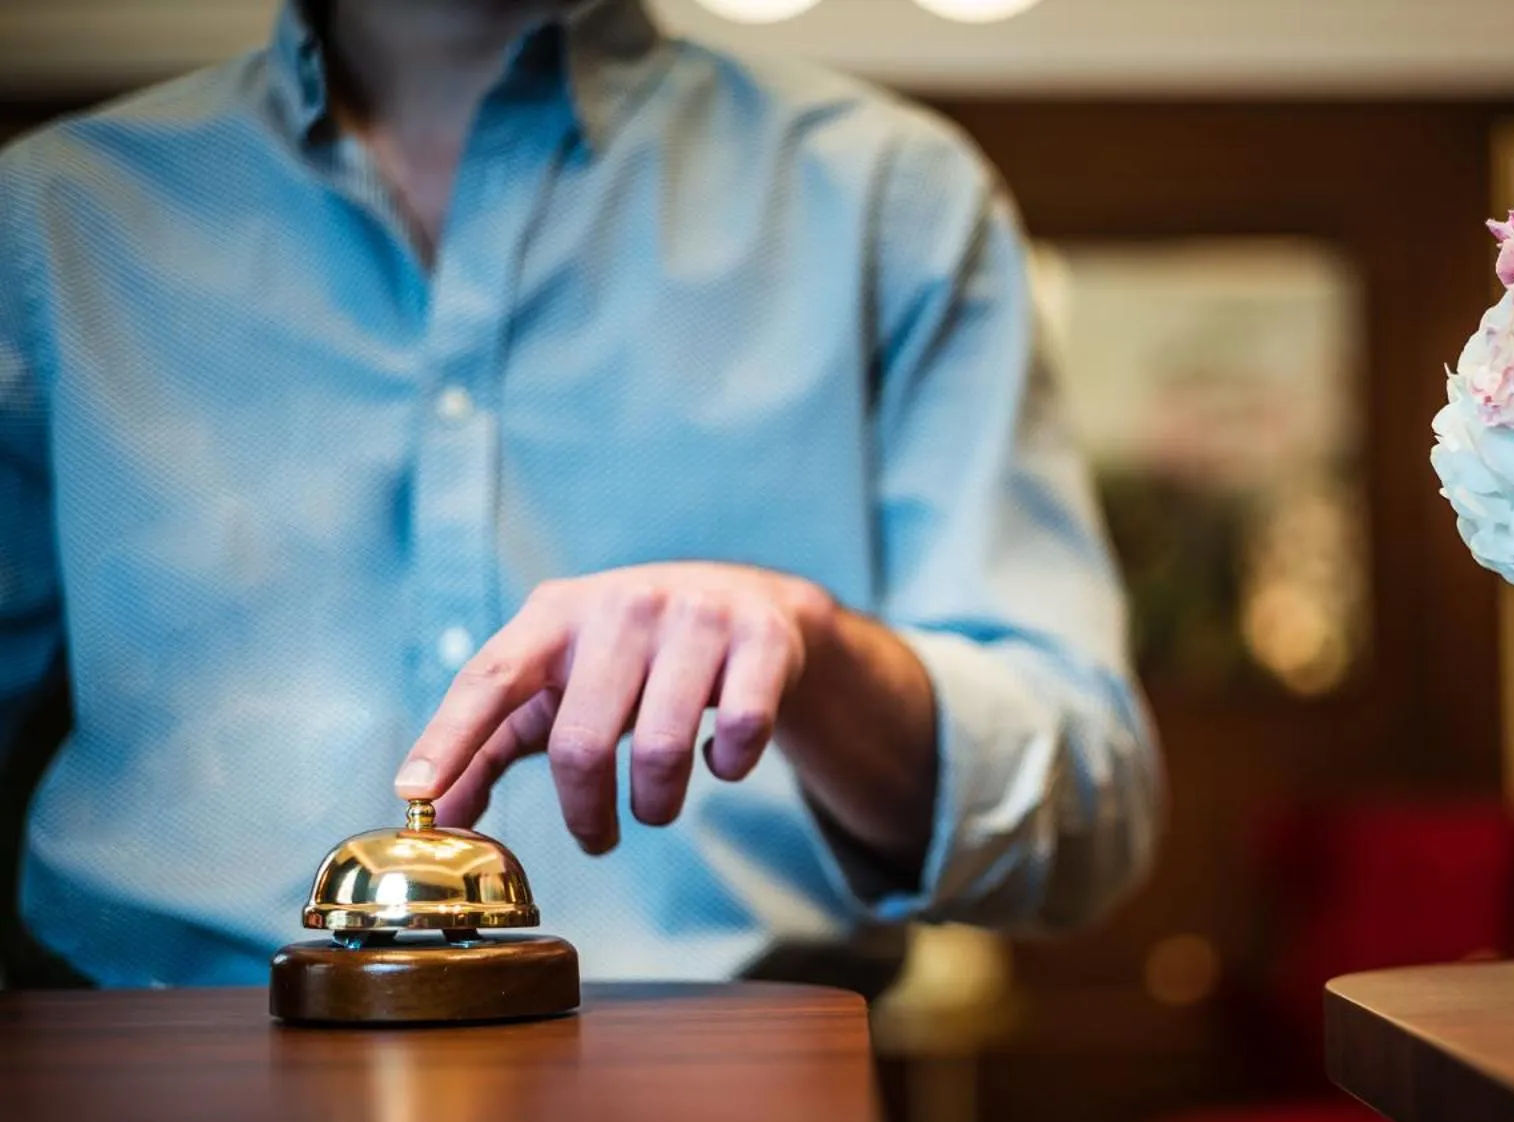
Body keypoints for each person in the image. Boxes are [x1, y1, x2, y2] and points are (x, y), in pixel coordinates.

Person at [0, 0, 1162, 987]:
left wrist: (821, 658)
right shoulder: (47, 225)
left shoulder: (892, 202)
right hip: (139, 1105)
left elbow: (1086, 818)